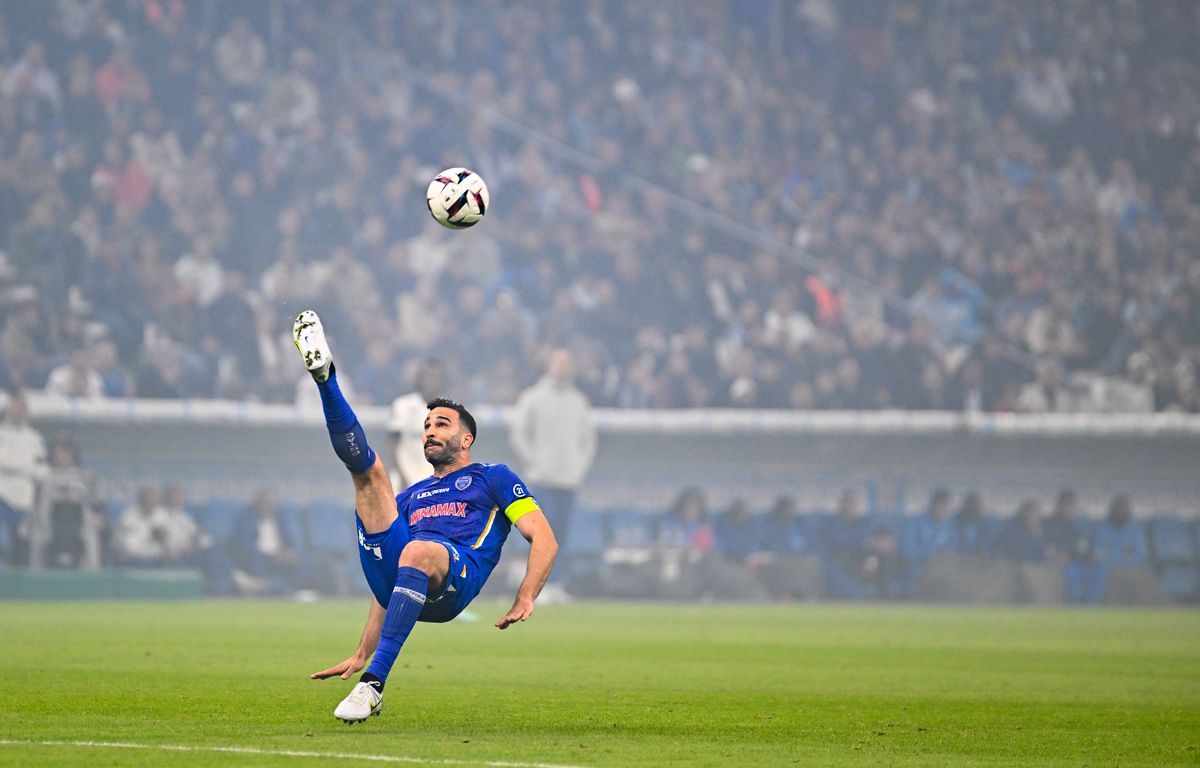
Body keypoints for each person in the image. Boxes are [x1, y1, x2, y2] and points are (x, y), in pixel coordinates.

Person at [292, 310, 557, 723]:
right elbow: (390, 584)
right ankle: (326, 379)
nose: (430, 430)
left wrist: (526, 595)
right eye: (427, 425)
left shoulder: (494, 477)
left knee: (416, 549)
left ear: (466, 438)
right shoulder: (413, 494)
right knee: (370, 477)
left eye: (442, 424)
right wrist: (362, 648)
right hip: (415, 570)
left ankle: (374, 686)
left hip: (457, 578)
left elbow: (544, 538)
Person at [508, 348, 597, 577]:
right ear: (549, 364)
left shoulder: (579, 402)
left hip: (568, 480)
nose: (563, 367)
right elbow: (519, 434)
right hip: (542, 479)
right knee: (540, 535)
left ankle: (556, 583)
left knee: (561, 536)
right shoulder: (533, 397)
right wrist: (535, 463)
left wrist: (578, 468)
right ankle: (537, 584)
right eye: (559, 362)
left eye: (567, 363)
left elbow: (588, 441)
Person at [384, 358, 447, 490]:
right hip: (403, 480)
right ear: (420, 379)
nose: (431, 382)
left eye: (435, 378)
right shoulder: (403, 405)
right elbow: (392, 445)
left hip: (432, 481)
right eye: (427, 377)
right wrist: (401, 476)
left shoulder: (448, 411)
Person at [0, 390, 48, 564]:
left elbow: (42, 470)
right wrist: (26, 466)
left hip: (25, 500)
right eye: (15, 407)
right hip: (3, 497)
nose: (19, 412)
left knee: (22, 546)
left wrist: (20, 467)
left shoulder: (34, 438)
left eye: (22, 408)